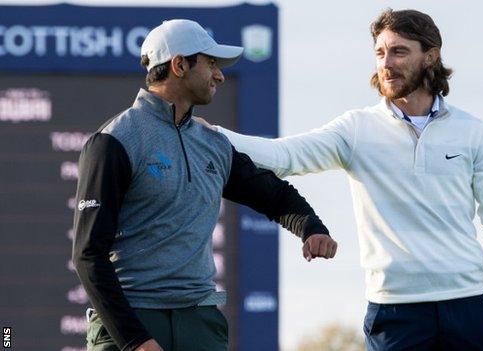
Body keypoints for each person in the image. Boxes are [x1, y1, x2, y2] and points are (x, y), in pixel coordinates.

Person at [209, 9, 483, 351]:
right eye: (380, 53)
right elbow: (285, 156)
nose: (386, 63)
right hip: (394, 313)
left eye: (399, 51)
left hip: (467, 307)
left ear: (430, 56)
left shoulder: (473, 132)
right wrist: (211, 134)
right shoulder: (357, 129)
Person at [72, 19, 337, 351]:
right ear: (179, 65)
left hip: (200, 322)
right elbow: (88, 254)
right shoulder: (114, 141)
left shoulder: (213, 144)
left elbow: (275, 195)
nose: (220, 75)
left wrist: (311, 227)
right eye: (211, 63)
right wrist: (136, 340)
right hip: (132, 322)